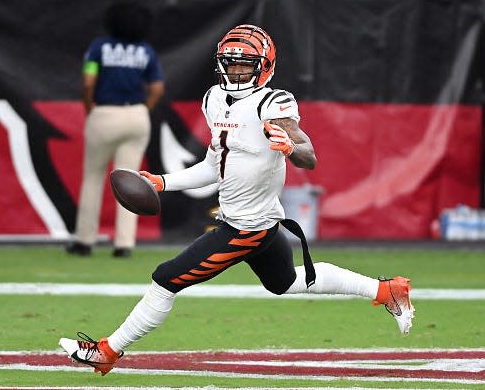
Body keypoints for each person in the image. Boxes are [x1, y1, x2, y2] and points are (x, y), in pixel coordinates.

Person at [59, 24, 415, 375]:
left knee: (166, 278)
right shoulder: (214, 99)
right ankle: (387, 291)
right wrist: (162, 182)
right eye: (231, 62)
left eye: (246, 64)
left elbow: (308, 153)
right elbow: (214, 164)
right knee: (286, 282)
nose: (237, 70)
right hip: (258, 221)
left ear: (264, 66)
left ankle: (107, 351)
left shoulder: (274, 103)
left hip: (247, 229)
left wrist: (291, 147)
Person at [66, 0, 165, 258]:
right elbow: (156, 88)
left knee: (93, 178)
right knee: (130, 181)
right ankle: (124, 244)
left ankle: (84, 241)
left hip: (104, 114)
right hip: (136, 115)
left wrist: (90, 109)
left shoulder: (99, 47)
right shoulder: (146, 51)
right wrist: (144, 110)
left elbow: (88, 82)